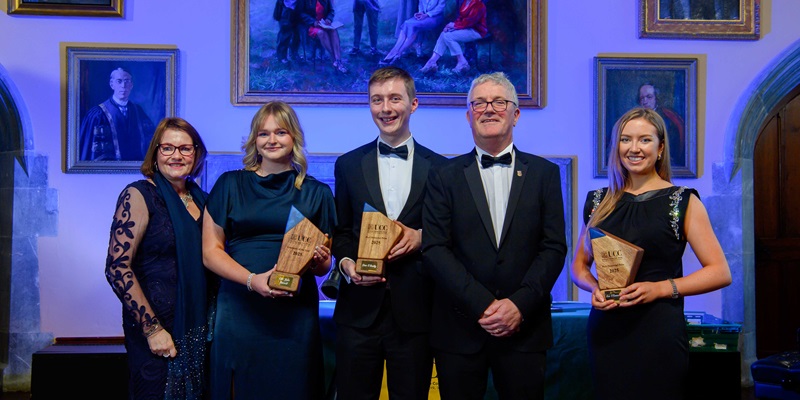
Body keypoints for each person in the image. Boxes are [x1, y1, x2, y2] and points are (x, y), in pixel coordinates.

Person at [422, 72, 567, 400]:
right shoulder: (443, 176)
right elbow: (435, 249)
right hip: (459, 330)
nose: (489, 109)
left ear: (516, 113)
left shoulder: (545, 174)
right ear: (468, 116)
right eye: (479, 103)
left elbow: (554, 247)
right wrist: (484, 305)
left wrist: (518, 305)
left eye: (499, 102)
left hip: (525, 329)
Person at [570, 107, 732, 400]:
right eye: (625, 139)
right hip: (606, 332)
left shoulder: (682, 201)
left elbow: (720, 272)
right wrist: (594, 288)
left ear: (660, 148)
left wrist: (659, 289)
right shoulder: (598, 202)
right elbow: (579, 266)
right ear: (616, 146)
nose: (634, 148)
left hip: (658, 333)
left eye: (644, 140)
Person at [202, 101, 336, 400]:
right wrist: (253, 281)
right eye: (264, 133)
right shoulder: (229, 184)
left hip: (294, 315)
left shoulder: (318, 192)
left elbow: (324, 267)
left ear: (294, 137)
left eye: (281, 132)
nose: (272, 140)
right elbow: (210, 252)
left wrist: (322, 261)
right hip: (240, 308)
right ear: (254, 140)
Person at [332, 66, 447, 400]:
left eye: (395, 98)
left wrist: (422, 237)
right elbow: (341, 231)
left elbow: (451, 233)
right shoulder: (348, 165)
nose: (385, 108)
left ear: (413, 104)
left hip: (417, 311)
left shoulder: (442, 168)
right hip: (358, 311)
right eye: (377, 100)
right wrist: (347, 265)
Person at [104, 117, 210, 399]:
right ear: (155, 153)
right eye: (168, 148)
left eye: (185, 148)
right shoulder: (139, 195)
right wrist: (152, 329)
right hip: (156, 331)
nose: (177, 155)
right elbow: (117, 267)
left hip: (198, 330)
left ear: (196, 154)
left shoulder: (203, 200)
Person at [80, 67, 156, 161]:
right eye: (119, 81)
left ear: (131, 85)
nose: (123, 86)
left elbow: (151, 141)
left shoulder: (138, 111)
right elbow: (93, 153)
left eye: (127, 81)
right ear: (112, 84)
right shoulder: (98, 115)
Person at [419, 0, 488, 75]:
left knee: (448, 36)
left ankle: (462, 61)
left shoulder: (478, 4)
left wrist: (454, 26)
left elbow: (470, 22)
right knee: (444, 34)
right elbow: (460, 18)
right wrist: (450, 26)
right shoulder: (465, 2)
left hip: (476, 31)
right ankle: (432, 61)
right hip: (465, 28)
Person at [380, 0, 446, 65]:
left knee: (412, 26)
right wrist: (420, 13)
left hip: (435, 17)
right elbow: (421, 4)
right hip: (423, 16)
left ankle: (397, 53)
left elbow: (440, 8)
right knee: (406, 23)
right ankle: (394, 52)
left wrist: (426, 15)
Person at [638, 83, 686, 166]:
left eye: (649, 97)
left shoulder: (667, 119)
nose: (644, 101)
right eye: (642, 98)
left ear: (656, 98)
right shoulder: (637, 119)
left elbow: (671, 147)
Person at [302, 0, 348, 73]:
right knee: (321, 33)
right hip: (311, 25)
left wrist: (328, 19)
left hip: (323, 23)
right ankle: (334, 58)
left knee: (333, 30)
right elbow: (302, 13)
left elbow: (331, 11)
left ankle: (338, 60)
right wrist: (313, 22)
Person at [274, 0, 308, 64]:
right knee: (285, 34)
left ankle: (294, 54)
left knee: (297, 34)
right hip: (286, 9)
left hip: (297, 9)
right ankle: (281, 56)